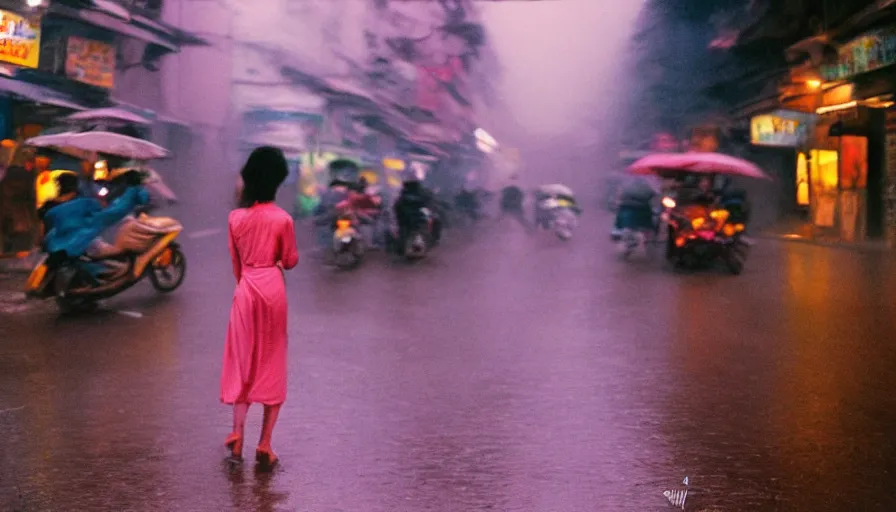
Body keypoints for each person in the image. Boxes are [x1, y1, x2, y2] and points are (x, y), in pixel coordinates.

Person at [221, 146, 299, 470]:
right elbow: (291, 260)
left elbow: (236, 265)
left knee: (242, 360)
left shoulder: (235, 218)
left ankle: (237, 434)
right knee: (272, 360)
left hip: (246, 288)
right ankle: (264, 444)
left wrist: (245, 287)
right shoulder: (283, 219)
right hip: (272, 286)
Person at [392, 175, 441, 252]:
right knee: (435, 219)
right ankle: (434, 240)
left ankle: (433, 240)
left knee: (434, 220)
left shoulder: (405, 193)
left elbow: (397, 206)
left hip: (411, 216)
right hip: (413, 216)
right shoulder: (418, 193)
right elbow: (428, 205)